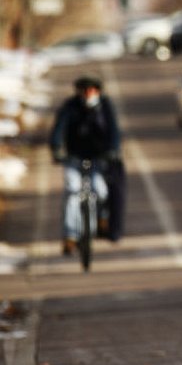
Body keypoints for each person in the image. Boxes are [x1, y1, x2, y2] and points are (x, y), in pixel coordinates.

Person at [49, 76, 122, 255]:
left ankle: (102, 220)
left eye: (93, 90)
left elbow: (114, 131)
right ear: (80, 92)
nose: (89, 94)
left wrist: (113, 150)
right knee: (73, 191)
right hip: (73, 158)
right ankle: (70, 237)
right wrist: (57, 148)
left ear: (98, 91)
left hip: (98, 158)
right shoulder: (70, 107)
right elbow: (58, 129)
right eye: (85, 90)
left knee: (101, 190)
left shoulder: (105, 106)